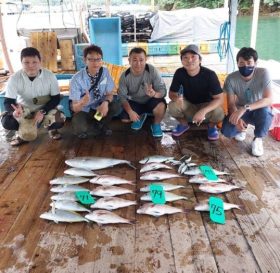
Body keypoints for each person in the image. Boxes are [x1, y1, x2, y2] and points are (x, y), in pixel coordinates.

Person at [1, 47, 65, 146]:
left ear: (40, 62)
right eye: (26, 62)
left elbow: (56, 98)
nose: (31, 66)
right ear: (21, 63)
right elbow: (8, 101)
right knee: (7, 122)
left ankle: (52, 129)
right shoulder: (14, 78)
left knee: (60, 118)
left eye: (34, 62)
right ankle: (21, 134)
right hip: (24, 111)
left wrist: (43, 111)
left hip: (44, 110)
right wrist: (14, 111)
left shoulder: (50, 76)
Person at [221, 47, 273, 157]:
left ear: (256, 63)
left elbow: (268, 99)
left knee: (266, 112)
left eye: (249, 62)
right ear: (237, 63)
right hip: (240, 111)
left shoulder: (263, 73)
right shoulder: (231, 78)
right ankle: (243, 129)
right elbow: (230, 104)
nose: (245, 66)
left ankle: (258, 138)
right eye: (241, 63)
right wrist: (237, 118)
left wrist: (245, 108)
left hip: (258, 109)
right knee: (227, 131)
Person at [168, 44, 224, 140]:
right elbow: (171, 93)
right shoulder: (179, 73)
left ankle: (211, 126)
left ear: (200, 60)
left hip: (206, 107)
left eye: (193, 57)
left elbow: (219, 98)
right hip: (189, 106)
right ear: (182, 61)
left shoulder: (210, 74)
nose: (189, 60)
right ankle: (184, 124)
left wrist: (203, 111)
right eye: (185, 58)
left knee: (219, 112)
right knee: (172, 106)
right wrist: (176, 99)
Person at [69, 44, 121, 139]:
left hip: (99, 108)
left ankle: (100, 123)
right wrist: (81, 103)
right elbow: (75, 108)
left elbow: (110, 94)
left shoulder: (105, 72)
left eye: (98, 59)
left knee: (116, 105)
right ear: (85, 60)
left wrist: (105, 103)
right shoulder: (76, 79)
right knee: (80, 129)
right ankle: (97, 126)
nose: (95, 63)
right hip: (84, 110)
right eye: (91, 59)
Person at [118, 47, 167, 138]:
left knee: (161, 105)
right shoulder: (125, 76)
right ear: (129, 60)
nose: (138, 63)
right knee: (125, 119)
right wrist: (130, 112)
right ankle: (141, 116)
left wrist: (154, 94)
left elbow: (163, 91)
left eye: (141, 60)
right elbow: (122, 97)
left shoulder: (152, 70)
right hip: (135, 102)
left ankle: (156, 124)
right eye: (135, 60)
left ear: (146, 60)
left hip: (151, 100)